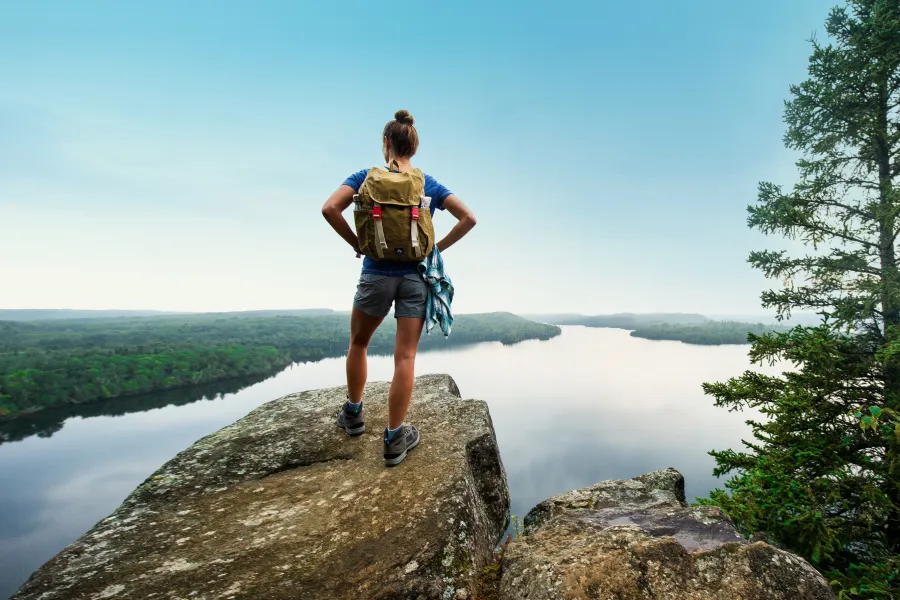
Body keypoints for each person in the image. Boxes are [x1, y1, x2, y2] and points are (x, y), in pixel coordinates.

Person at [321, 110, 476, 466]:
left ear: (386, 143)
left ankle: (354, 415)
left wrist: (356, 243)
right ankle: (394, 439)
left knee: (359, 343)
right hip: (415, 279)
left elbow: (330, 208)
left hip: (375, 273)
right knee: (404, 357)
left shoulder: (365, 177)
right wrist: (437, 248)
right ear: (414, 148)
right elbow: (469, 217)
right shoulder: (427, 184)